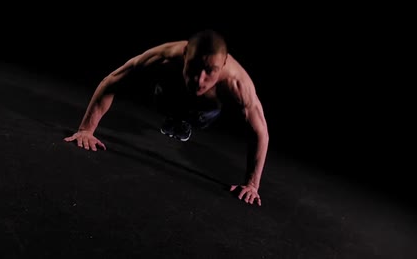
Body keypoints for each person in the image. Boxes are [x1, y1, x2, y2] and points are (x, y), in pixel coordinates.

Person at [63, 29, 269, 206]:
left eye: (210, 71)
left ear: (224, 63)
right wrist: (86, 130)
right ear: (186, 53)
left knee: (201, 110)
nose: (200, 79)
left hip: (205, 112)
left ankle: (184, 120)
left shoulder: (237, 82)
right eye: (195, 67)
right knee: (165, 90)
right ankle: (174, 115)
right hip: (168, 97)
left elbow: (260, 132)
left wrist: (252, 184)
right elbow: (112, 81)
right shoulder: (165, 56)